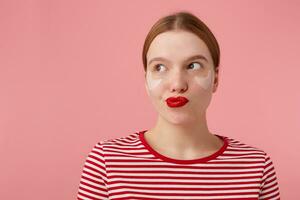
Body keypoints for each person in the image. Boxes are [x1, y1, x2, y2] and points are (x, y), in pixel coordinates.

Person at [76, 11, 280, 200]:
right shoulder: (106, 162)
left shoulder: (256, 166)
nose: (177, 84)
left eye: (193, 66)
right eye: (160, 67)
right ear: (146, 80)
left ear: (216, 79)